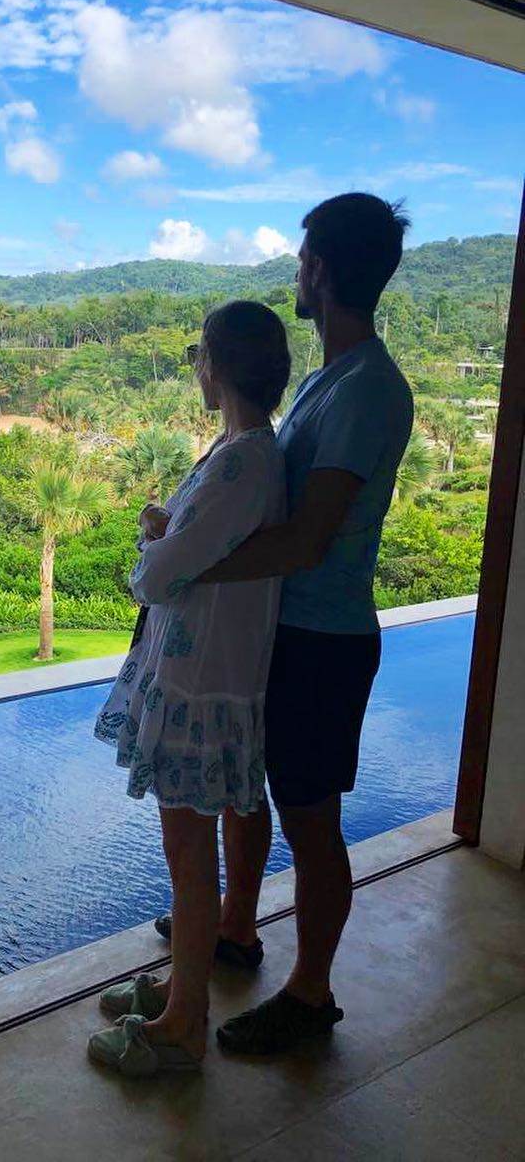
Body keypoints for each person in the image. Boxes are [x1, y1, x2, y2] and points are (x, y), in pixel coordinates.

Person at [157, 192, 414, 1055]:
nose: (296, 273)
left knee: (310, 821)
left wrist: (183, 562)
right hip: (283, 631)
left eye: (302, 259)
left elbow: (306, 540)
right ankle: (234, 926)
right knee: (243, 789)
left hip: (322, 641)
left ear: (321, 271)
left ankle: (310, 993)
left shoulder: (367, 389)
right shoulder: (325, 380)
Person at [87, 300, 290, 1076]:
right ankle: (183, 987)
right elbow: (196, 543)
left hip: (199, 681)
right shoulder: (242, 449)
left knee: (187, 853)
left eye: (199, 355)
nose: (196, 367)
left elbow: (158, 575)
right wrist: (169, 529)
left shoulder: (243, 461)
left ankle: (181, 1025)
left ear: (218, 366)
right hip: (203, 673)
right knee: (189, 848)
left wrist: (154, 541)